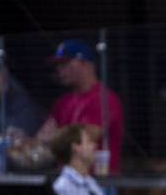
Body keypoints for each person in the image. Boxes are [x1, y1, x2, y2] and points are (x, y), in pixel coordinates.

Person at [37, 39, 124, 174]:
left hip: (99, 182)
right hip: (67, 179)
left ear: (86, 64)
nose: (60, 69)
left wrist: (54, 137)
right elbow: (41, 138)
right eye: (58, 65)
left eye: (65, 63)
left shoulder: (105, 99)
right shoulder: (63, 102)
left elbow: (81, 140)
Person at [50, 123, 108, 195]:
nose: (94, 145)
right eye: (89, 141)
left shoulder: (91, 183)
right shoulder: (63, 187)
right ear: (76, 147)